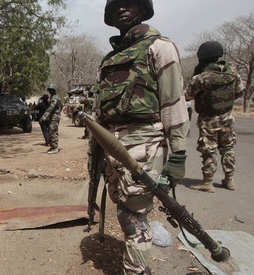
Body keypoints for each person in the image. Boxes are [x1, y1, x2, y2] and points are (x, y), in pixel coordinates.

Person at [92, 1, 190, 274]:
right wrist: (96, 153)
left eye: (129, 3)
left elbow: (173, 102)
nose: (121, 9)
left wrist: (179, 152)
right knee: (124, 209)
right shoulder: (108, 61)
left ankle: (137, 271)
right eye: (115, 6)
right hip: (112, 144)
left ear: (142, 9)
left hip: (144, 142)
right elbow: (99, 113)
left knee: (133, 214)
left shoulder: (160, 47)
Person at [185, 41, 245, 193]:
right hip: (227, 117)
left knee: (209, 150)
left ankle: (207, 182)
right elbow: (239, 92)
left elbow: (187, 96)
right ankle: (229, 180)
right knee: (227, 148)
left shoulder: (201, 77)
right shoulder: (232, 72)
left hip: (208, 119)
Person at [40, 84, 63, 154]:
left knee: (52, 131)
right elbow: (61, 106)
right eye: (49, 90)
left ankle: (55, 147)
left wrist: (44, 117)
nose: (49, 91)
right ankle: (52, 147)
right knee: (51, 131)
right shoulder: (54, 97)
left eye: (51, 90)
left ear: (54, 90)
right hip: (54, 116)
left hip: (54, 117)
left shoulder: (55, 98)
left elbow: (50, 108)